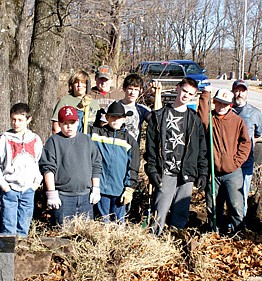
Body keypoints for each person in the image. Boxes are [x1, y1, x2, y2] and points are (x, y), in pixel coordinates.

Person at [144, 77, 208, 235]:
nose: (186, 95)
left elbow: (201, 150)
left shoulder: (194, 120)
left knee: (181, 212)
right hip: (165, 171)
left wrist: (203, 173)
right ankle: (153, 243)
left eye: (190, 94)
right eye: (184, 91)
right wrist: (152, 170)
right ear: (177, 88)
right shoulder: (159, 116)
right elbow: (151, 147)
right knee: (159, 211)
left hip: (186, 172)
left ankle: (175, 240)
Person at [198, 88, 251, 233]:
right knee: (213, 205)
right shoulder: (210, 119)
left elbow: (246, 143)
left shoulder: (237, 121)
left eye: (225, 104)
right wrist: (205, 95)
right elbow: (202, 115)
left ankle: (238, 233)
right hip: (213, 172)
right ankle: (215, 232)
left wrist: (236, 162)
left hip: (232, 172)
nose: (222, 107)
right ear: (214, 102)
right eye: (219, 103)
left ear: (231, 105)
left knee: (235, 205)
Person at [40, 106, 102, 226]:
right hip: (63, 197)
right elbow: (48, 168)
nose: (69, 126)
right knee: (63, 234)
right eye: (65, 123)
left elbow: (96, 165)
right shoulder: (53, 142)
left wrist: (96, 188)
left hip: (86, 196)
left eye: (72, 123)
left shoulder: (87, 141)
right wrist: (51, 193)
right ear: (59, 124)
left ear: (78, 122)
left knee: (84, 236)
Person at [0, 103, 43, 236]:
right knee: (8, 227)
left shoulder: (35, 140)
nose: (16, 123)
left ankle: (20, 254)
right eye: (13, 119)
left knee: (24, 226)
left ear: (28, 120)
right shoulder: (4, 139)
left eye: (20, 120)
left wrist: (35, 184)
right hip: (10, 189)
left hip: (28, 190)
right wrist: (4, 185)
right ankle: (8, 256)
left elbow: (39, 163)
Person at [90, 101, 139, 222]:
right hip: (100, 189)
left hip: (119, 189)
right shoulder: (96, 134)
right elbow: (80, 127)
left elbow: (133, 166)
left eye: (119, 117)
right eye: (112, 117)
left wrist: (129, 187)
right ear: (106, 117)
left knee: (118, 222)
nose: (116, 120)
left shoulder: (129, 141)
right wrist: (82, 109)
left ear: (124, 119)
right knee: (102, 221)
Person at [232, 79, 262, 215]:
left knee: (242, 193)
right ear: (233, 92)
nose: (239, 94)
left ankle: (241, 223)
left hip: (246, 161)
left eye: (242, 91)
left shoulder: (255, 113)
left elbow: (257, 135)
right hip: (229, 160)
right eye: (237, 90)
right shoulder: (226, 110)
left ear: (247, 93)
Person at [51, 70, 93, 134]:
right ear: (72, 85)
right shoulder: (65, 101)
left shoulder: (94, 103)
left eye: (82, 82)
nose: (79, 85)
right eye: (76, 82)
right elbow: (56, 128)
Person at [119, 73, 151, 146]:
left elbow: (156, 120)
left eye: (136, 90)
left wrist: (157, 94)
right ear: (124, 89)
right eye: (130, 89)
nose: (132, 93)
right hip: (117, 149)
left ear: (140, 91)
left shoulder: (141, 109)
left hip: (133, 150)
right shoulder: (114, 106)